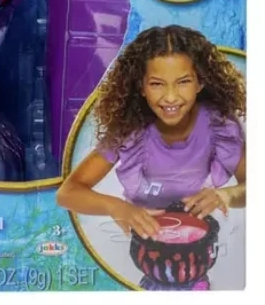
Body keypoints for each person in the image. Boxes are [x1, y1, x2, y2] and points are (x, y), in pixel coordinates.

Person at [57, 26, 245, 256]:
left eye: (183, 82)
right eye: (157, 84)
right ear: (141, 86)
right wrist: (117, 207)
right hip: (142, 239)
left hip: (198, 237)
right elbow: (68, 192)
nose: (170, 97)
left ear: (200, 82)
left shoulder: (219, 126)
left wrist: (225, 195)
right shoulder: (129, 130)